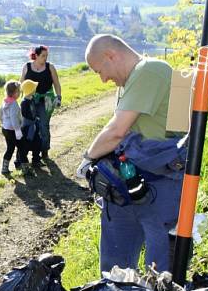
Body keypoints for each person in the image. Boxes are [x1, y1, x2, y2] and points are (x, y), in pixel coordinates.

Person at [76, 34, 184, 273]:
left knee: (159, 273)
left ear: (110, 55)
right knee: (115, 269)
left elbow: (116, 131)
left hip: (159, 189)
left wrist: (88, 158)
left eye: (99, 71)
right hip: (131, 186)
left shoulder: (152, 70)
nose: (103, 79)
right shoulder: (131, 82)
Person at [20, 45, 62, 161]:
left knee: (43, 125)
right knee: (29, 127)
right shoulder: (27, 66)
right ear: (36, 56)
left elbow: (56, 84)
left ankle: (44, 151)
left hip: (46, 100)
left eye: (46, 56)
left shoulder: (50, 67)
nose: (45, 58)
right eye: (43, 56)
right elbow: (21, 84)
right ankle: (27, 154)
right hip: (30, 101)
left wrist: (58, 97)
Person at [16, 79, 42, 173]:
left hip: (34, 125)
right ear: (30, 90)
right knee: (24, 145)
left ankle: (36, 159)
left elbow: (34, 110)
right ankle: (19, 161)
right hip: (27, 127)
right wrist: (32, 119)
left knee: (37, 142)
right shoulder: (24, 102)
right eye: (34, 88)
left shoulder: (32, 99)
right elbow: (25, 114)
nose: (35, 90)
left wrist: (36, 117)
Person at [0, 80, 22, 174]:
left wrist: (3, 122)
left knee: (10, 148)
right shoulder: (14, 104)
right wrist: (18, 130)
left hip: (5, 129)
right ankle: (21, 165)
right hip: (13, 130)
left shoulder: (5, 101)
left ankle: (4, 168)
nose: (20, 93)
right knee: (21, 146)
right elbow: (14, 118)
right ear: (14, 93)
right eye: (19, 91)